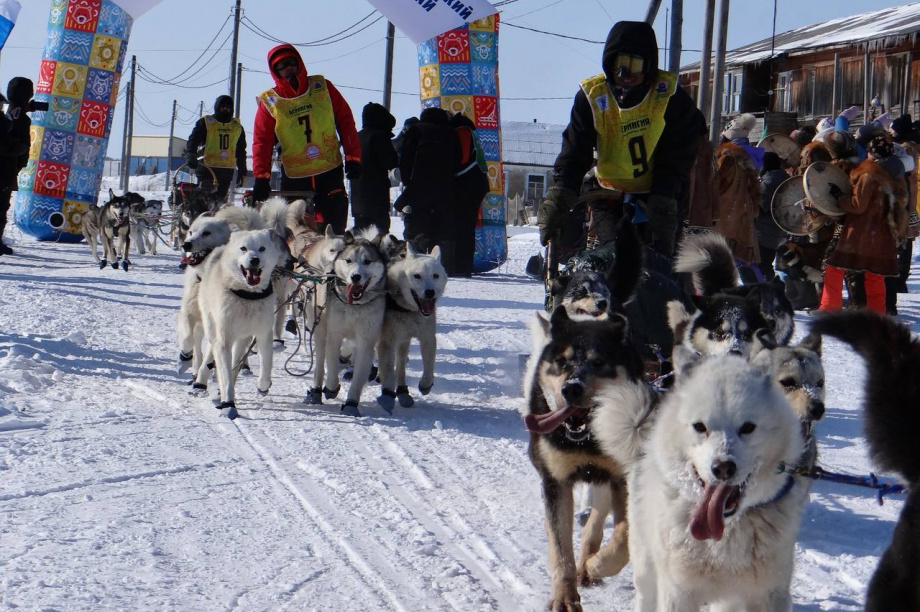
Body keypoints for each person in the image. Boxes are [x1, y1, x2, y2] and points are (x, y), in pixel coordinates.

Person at [537, 20, 705, 259]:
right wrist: (560, 196)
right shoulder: (592, 97)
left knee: (658, 264)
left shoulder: (669, 97)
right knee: (613, 258)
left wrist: (664, 196)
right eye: (619, 65)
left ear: (648, 66)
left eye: (633, 65)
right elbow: (575, 150)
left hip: (659, 193)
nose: (624, 74)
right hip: (608, 192)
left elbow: (678, 154)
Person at [251, 44, 361, 234]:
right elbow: (262, 141)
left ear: (299, 63)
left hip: (329, 169)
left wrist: (353, 157)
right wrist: (261, 177)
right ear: (275, 71)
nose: (288, 68)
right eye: (281, 66)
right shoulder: (270, 102)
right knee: (295, 232)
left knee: (334, 227)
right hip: (295, 175)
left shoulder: (323, 87)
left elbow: (345, 121)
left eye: (291, 62)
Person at [819, 135, 904, 314]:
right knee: (874, 274)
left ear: (872, 153)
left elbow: (858, 206)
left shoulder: (869, 174)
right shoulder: (895, 174)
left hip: (861, 232)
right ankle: (877, 313)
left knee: (834, 267)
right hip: (882, 232)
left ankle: (829, 308)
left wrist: (840, 197)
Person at [398, 107, 460, 255]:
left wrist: (407, 183)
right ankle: (441, 261)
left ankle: (417, 259)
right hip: (445, 190)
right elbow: (457, 160)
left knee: (417, 230)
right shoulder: (451, 133)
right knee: (441, 232)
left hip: (419, 190)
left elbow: (406, 160)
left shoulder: (416, 130)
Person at [184, 95, 247, 203]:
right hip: (206, 167)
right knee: (204, 198)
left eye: (228, 107)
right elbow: (193, 140)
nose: (225, 109)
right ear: (217, 107)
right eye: (222, 107)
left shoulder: (237, 127)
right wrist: (190, 154)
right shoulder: (206, 123)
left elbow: (240, 151)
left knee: (219, 201)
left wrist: (242, 170)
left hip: (226, 170)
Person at [449, 112, 489, 277]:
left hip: (469, 185)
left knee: (464, 226)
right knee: (466, 226)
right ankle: (463, 265)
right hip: (474, 184)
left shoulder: (462, 130)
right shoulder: (468, 130)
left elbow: (463, 158)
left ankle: (463, 266)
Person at [0, 78, 34, 255]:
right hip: (6, 167)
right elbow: (6, 142)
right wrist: (20, 149)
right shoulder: (11, 117)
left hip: (9, 167)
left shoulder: (11, 113)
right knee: (1, 206)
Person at [351, 102, 397, 233]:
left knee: (361, 239)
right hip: (377, 200)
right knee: (379, 240)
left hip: (358, 201)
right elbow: (392, 162)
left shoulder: (356, 137)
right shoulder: (379, 137)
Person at [756, 151, 790, 280]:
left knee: (763, 267)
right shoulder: (786, 178)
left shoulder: (767, 182)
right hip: (782, 231)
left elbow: (759, 208)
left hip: (765, 233)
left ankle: (768, 289)